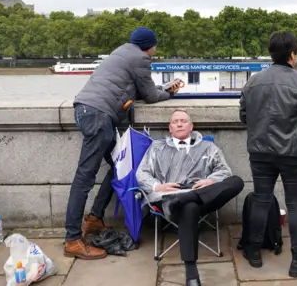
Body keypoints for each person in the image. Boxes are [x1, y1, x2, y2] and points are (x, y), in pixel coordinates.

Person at [64, 27, 175, 260]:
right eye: (155, 45)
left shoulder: (122, 52)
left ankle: (94, 218)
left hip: (88, 109)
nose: (155, 49)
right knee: (84, 178)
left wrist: (161, 88)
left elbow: (143, 90)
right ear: (149, 45)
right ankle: (73, 240)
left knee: (118, 164)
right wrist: (170, 93)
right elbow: (151, 96)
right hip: (99, 115)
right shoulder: (141, 58)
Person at [238, 31, 297, 278]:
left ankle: (253, 251)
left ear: (271, 53)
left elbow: (244, 116)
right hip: (294, 153)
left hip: (260, 151)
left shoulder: (252, 81)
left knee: (261, 200)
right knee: (296, 204)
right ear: (293, 55)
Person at [136, 109, 244, 286]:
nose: (179, 124)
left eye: (183, 121)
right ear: (170, 128)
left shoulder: (208, 147)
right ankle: (191, 273)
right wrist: (158, 186)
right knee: (190, 207)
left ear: (191, 126)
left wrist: (210, 180)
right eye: (175, 121)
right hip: (170, 198)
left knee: (237, 181)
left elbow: (224, 171)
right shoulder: (156, 148)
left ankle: (189, 197)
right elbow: (142, 173)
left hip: (203, 197)